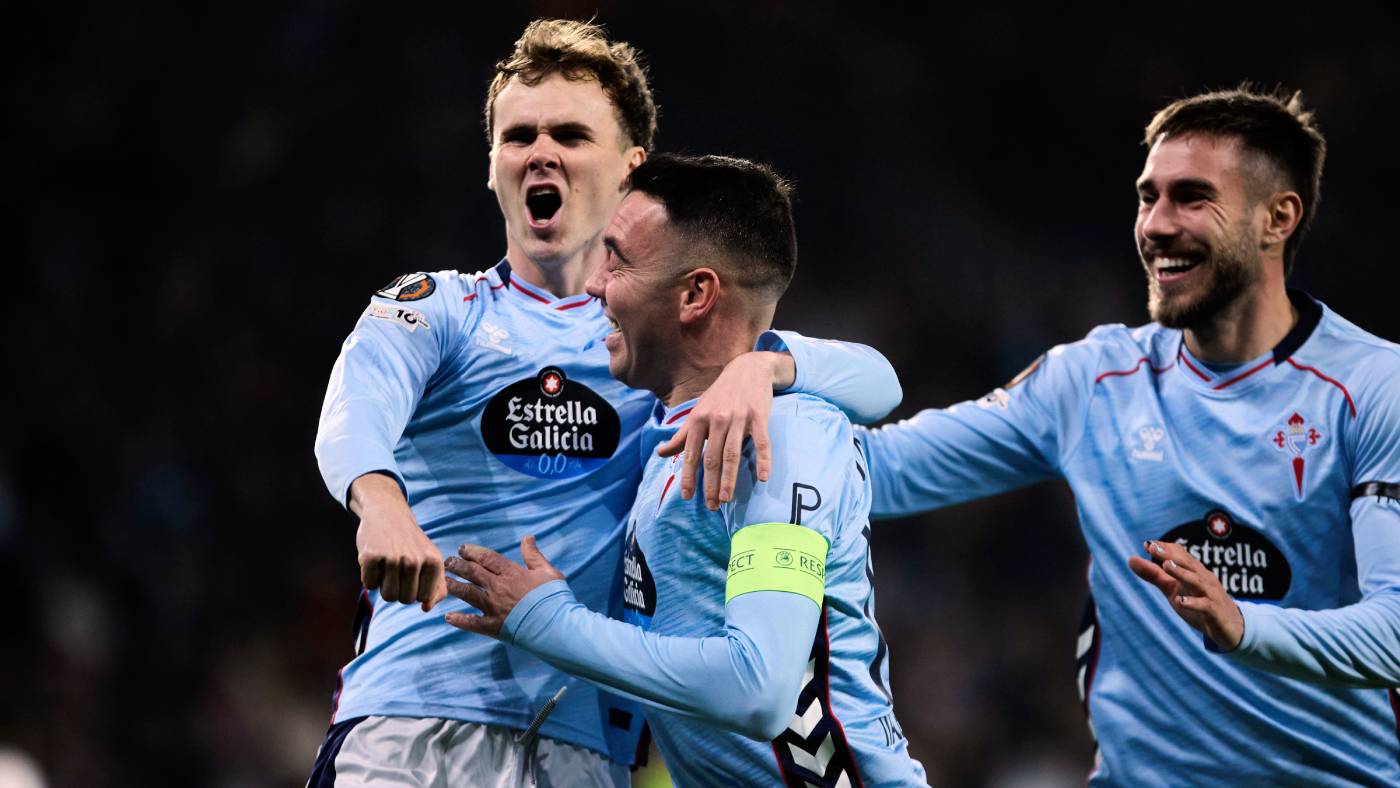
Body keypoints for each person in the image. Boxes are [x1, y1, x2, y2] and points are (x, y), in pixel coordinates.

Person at [666, 87, 1400, 784]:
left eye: (1192, 197)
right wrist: (771, 370)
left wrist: (1244, 626)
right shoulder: (1092, 381)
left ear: (1278, 218)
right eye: (1148, 196)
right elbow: (870, 470)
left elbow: (1393, 630)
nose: (1156, 224)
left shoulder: (1372, 388)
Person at [307, 19, 901, 787]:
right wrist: (379, 502)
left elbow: (880, 384)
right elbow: (354, 406)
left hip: (586, 750)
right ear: (491, 167)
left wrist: (768, 367)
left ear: (631, 170)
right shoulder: (441, 310)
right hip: (415, 725)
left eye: (569, 134)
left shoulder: (654, 345)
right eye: (518, 136)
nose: (540, 152)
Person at [443, 153, 927, 787]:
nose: (594, 284)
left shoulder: (779, 435)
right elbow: (879, 379)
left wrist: (550, 623)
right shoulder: (667, 432)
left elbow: (758, 688)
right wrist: (765, 364)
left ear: (696, 295)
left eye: (617, 260)